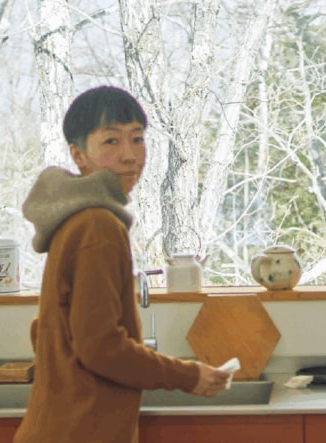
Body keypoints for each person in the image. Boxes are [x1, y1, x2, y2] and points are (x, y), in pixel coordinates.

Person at [14, 86, 230, 443]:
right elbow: (101, 347)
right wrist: (189, 376)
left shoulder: (75, 221)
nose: (130, 156)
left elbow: (46, 329)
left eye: (138, 139)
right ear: (78, 154)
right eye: (111, 141)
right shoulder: (98, 225)